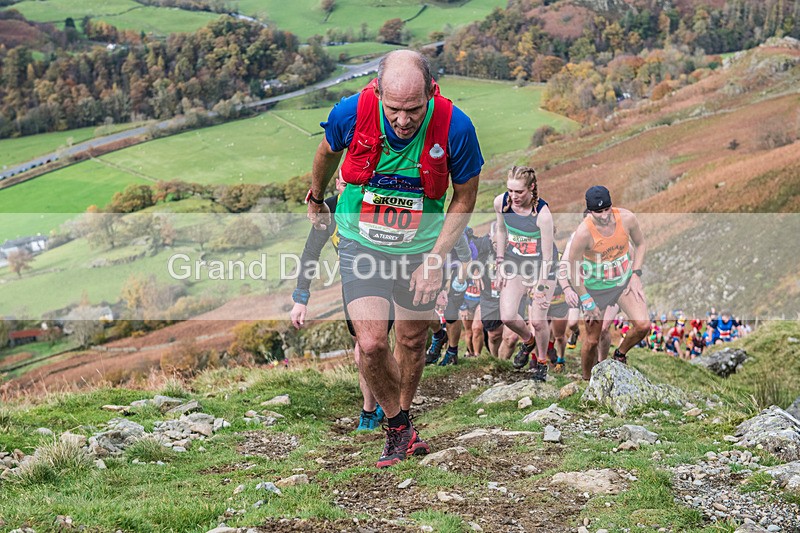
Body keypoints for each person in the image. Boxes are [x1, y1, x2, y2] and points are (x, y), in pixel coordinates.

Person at [307, 50, 483, 468]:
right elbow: (326, 153)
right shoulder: (350, 113)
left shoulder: (455, 127)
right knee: (370, 343)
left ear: (431, 93)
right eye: (394, 109)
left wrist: (437, 258)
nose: (404, 120)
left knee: (411, 340)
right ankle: (398, 426)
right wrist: (316, 197)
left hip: (421, 248)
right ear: (378, 92)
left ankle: (402, 419)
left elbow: (465, 197)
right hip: (360, 242)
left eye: (414, 109)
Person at [290, 174, 389, 431]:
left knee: (379, 346)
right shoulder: (330, 210)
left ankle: (379, 405)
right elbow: (311, 252)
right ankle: (374, 406)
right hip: (353, 284)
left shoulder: (373, 204)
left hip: (388, 278)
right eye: (344, 185)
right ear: (336, 184)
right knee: (363, 349)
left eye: (354, 186)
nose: (348, 191)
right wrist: (301, 298)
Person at [567, 186, 649, 380]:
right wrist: (586, 299)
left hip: (623, 283)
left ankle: (619, 354)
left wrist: (636, 274)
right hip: (595, 290)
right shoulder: (583, 233)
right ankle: (587, 381)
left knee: (643, 325)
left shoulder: (627, 218)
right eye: (598, 212)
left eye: (607, 210)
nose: (604, 216)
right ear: (589, 211)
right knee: (592, 340)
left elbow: (641, 244)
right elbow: (571, 269)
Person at [494, 166, 556, 382]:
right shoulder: (501, 203)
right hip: (515, 262)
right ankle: (528, 340)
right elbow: (501, 230)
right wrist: (500, 261)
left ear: (531, 188)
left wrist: (540, 285)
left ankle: (541, 362)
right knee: (508, 316)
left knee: (538, 321)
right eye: (510, 191)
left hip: (543, 266)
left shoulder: (542, 215)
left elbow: (547, 258)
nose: (514, 197)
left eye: (519, 192)